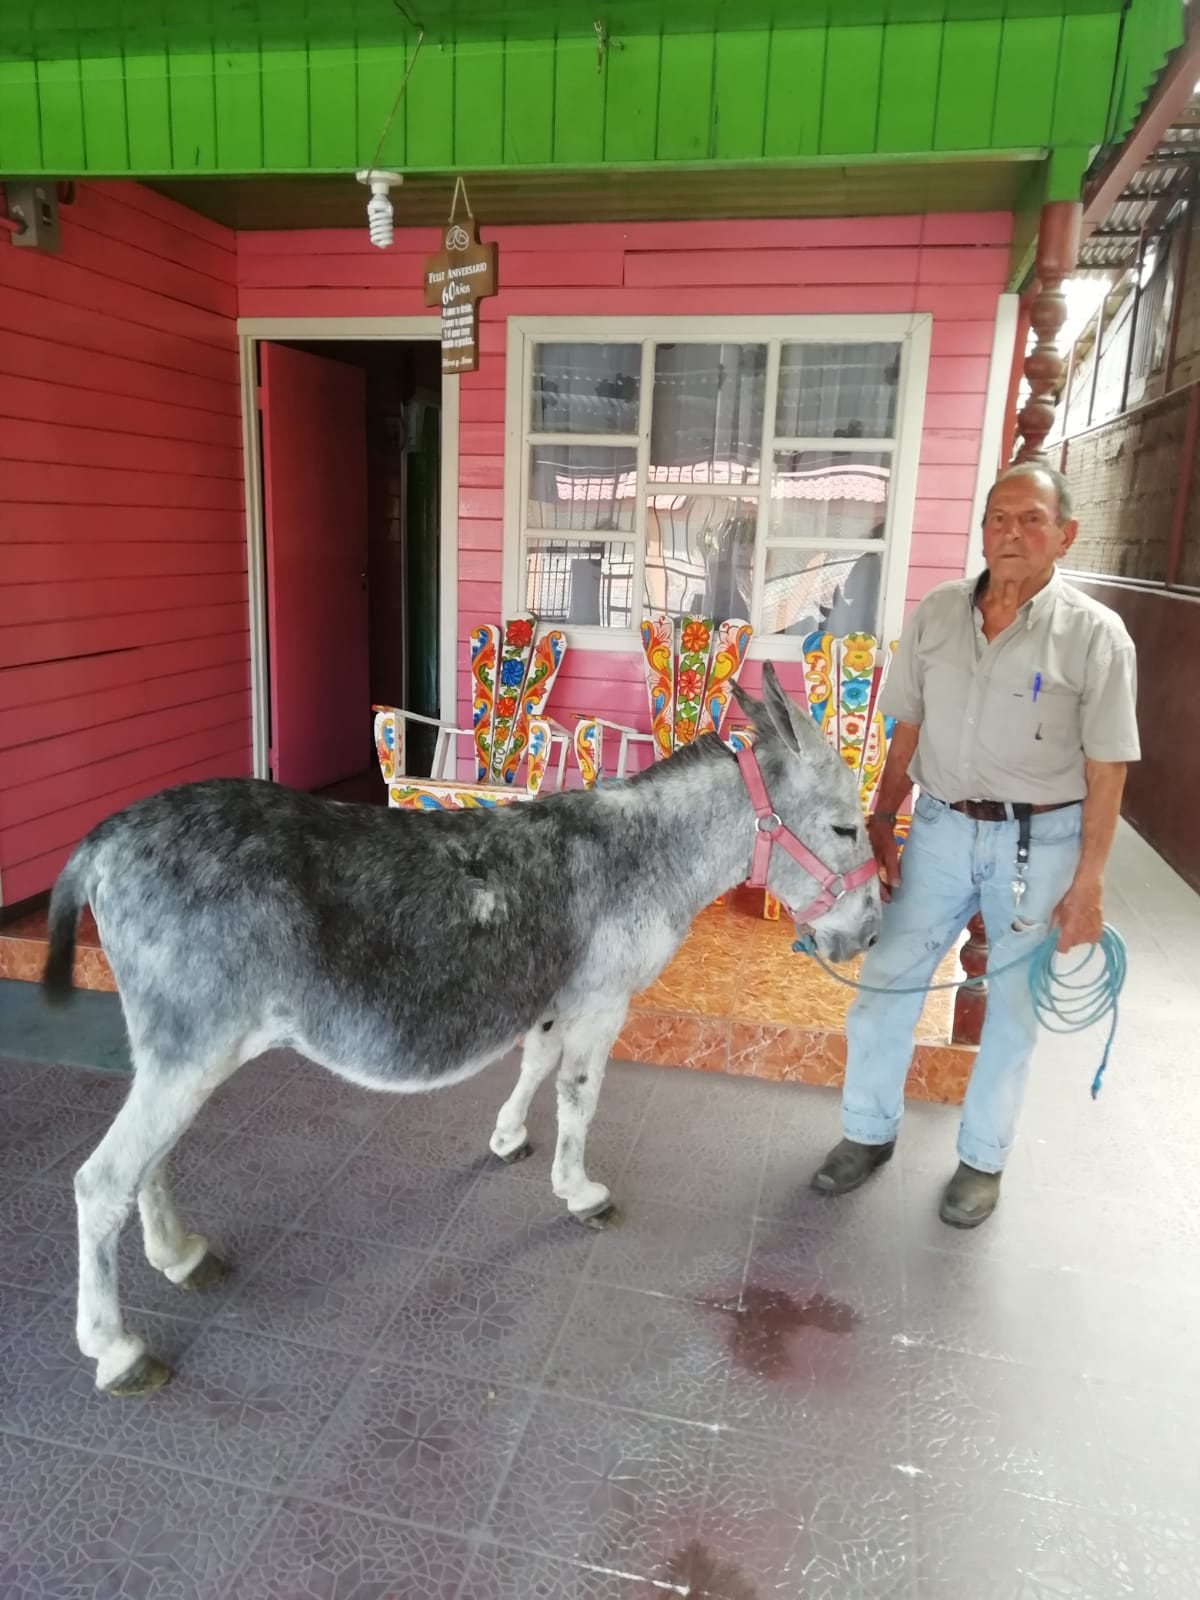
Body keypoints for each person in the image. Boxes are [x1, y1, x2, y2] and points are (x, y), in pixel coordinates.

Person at [811, 461, 1140, 1227]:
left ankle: (981, 1161)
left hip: (1043, 841)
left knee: (1014, 1010)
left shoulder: (1096, 636)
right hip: (940, 827)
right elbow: (907, 728)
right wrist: (883, 819)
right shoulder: (936, 613)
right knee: (887, 983)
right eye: (998, 517)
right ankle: (867, 1133)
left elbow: (1109, 770)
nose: (1012, 533)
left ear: (1066, 534)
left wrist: (1088, 884)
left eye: (1032, 519)